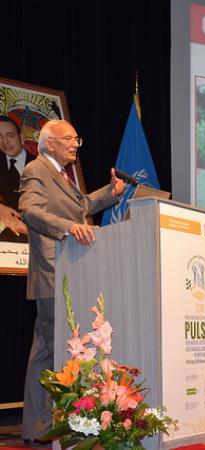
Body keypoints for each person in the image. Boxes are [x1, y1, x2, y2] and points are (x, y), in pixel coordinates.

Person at [19, 119, 125, 445]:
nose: (76, 143)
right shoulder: (37, 169)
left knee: (45, 352)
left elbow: (81, 207)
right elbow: (28, 210)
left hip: (69, 272)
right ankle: (52, 426)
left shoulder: (63, 175)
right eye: (69, 138)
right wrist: (67, 227)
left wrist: (111, 193)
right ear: (49, 142)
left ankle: (38, 427)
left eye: (77, 138)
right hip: (53, 272)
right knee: (53, 353)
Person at [0, 115, 33, 242]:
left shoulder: (42, 166)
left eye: (10, 135)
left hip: (39, 236)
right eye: (0, 137)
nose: (5, 142)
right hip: (7, 238)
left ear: (22, 137)